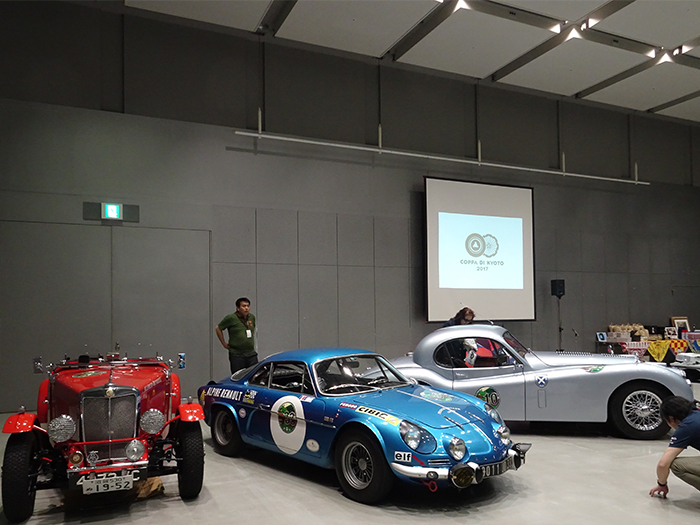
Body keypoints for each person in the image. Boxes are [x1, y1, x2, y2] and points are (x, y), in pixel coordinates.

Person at [649, 396, 700, 498]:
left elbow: (663, 464)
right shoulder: (697, 413)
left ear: (671, 418)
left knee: (676, 465)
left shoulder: (686, 427)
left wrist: (661, 484)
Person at [216, 297, 257, 374]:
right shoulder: (231, 318)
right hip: (237, 354)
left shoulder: (251, 317)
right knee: (238, 376)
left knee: (254, 375)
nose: (246, 308)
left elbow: (252, 329)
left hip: (251, 353)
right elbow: (218, 328)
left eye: (248, 306)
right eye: (244, 306)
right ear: (238, 308)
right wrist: (223, 343)